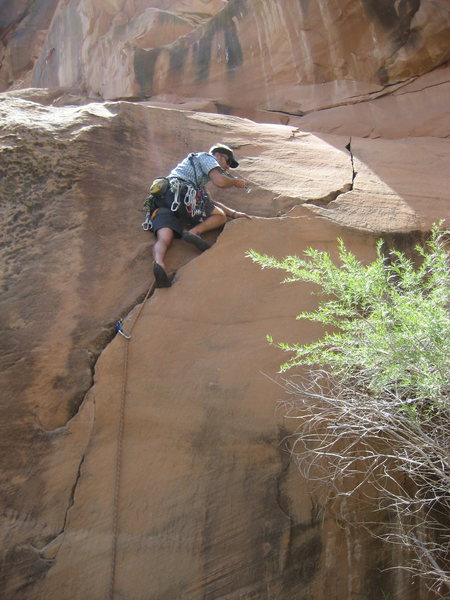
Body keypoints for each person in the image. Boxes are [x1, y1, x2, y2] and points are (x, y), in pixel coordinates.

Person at [149, 143, 251, 287]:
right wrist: (234, 182)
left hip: (162, 199)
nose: (227, 167)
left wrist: (234, 214)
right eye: (227, 162)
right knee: (220, 216)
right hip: (183, 193)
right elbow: (220, 181)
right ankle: (194, 233)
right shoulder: (207, 157)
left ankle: (159, 263)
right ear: (217, 156)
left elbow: (209, 201)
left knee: (164, 237)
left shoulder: (193, 175)